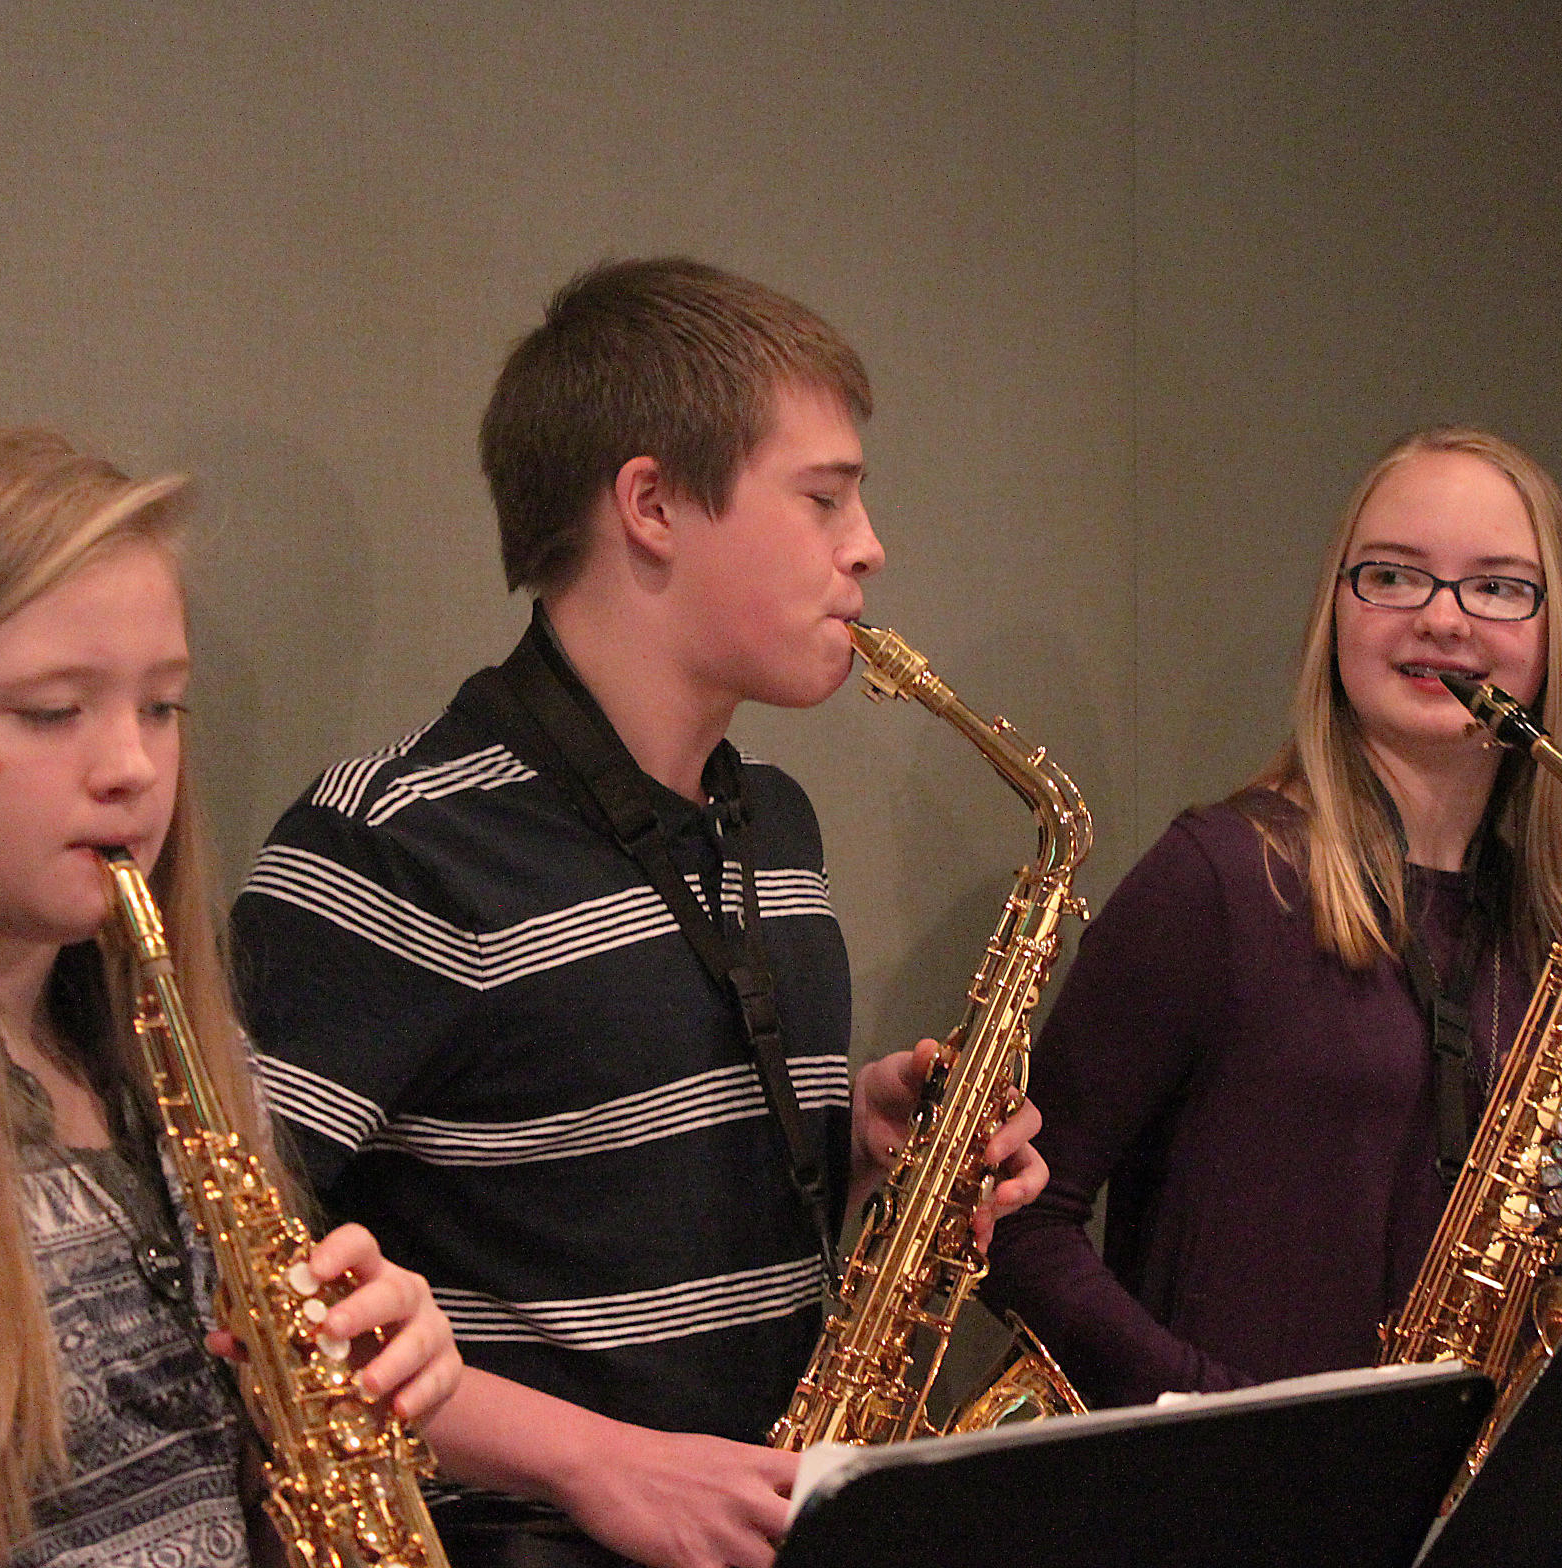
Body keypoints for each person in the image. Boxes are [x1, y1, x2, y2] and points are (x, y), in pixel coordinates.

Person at [230, 257, 1046, 1568]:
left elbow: (586, 1183)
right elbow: (242, 1296)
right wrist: (594, 1460)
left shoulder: (771, 825)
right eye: (824, 496)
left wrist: (861, 1146)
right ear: (653, 504)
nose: (869, 545)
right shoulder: (389, 845)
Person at [983, 426, 1562, 1407]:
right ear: (1338, 610)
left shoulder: (1555, 929)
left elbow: (1558, 1266)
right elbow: (1014, 1220)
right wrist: (1220, 1419)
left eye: (1497, 585)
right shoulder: (1219, 878)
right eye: (1394, 575)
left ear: (1554, 633)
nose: (1443, 620)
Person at [0, 424, 461, 1568]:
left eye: (161, 706)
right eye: (53, 709)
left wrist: (353, 1403)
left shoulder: (163, 1063)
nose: (132, 766)